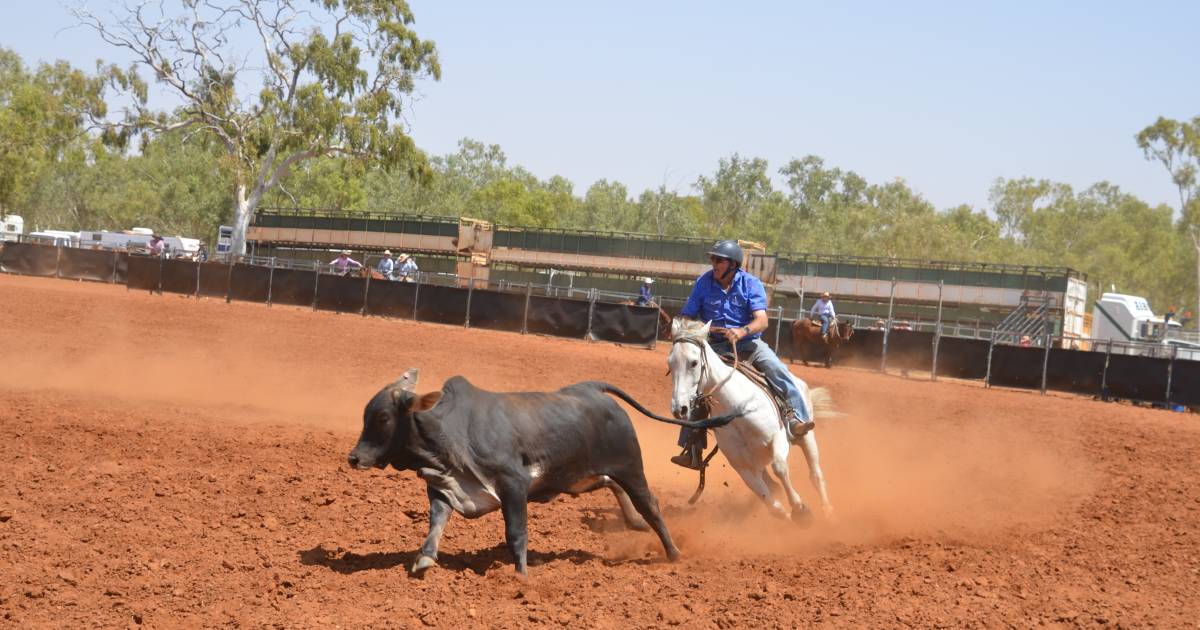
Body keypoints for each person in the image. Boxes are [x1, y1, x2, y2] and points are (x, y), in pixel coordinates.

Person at [670, 239, 814, 470]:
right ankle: (692, 449)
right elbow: (688, 315)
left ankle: (797, 419)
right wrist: (691, 328)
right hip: (714, 349)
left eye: (719, 260)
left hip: (748, 345)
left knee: (778, 372)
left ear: (733, 264)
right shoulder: (703, 283)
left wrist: (741, 331)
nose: (714, 263)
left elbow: (761, 320)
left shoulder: (751, 284)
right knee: (695, 391)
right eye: (712, 259)